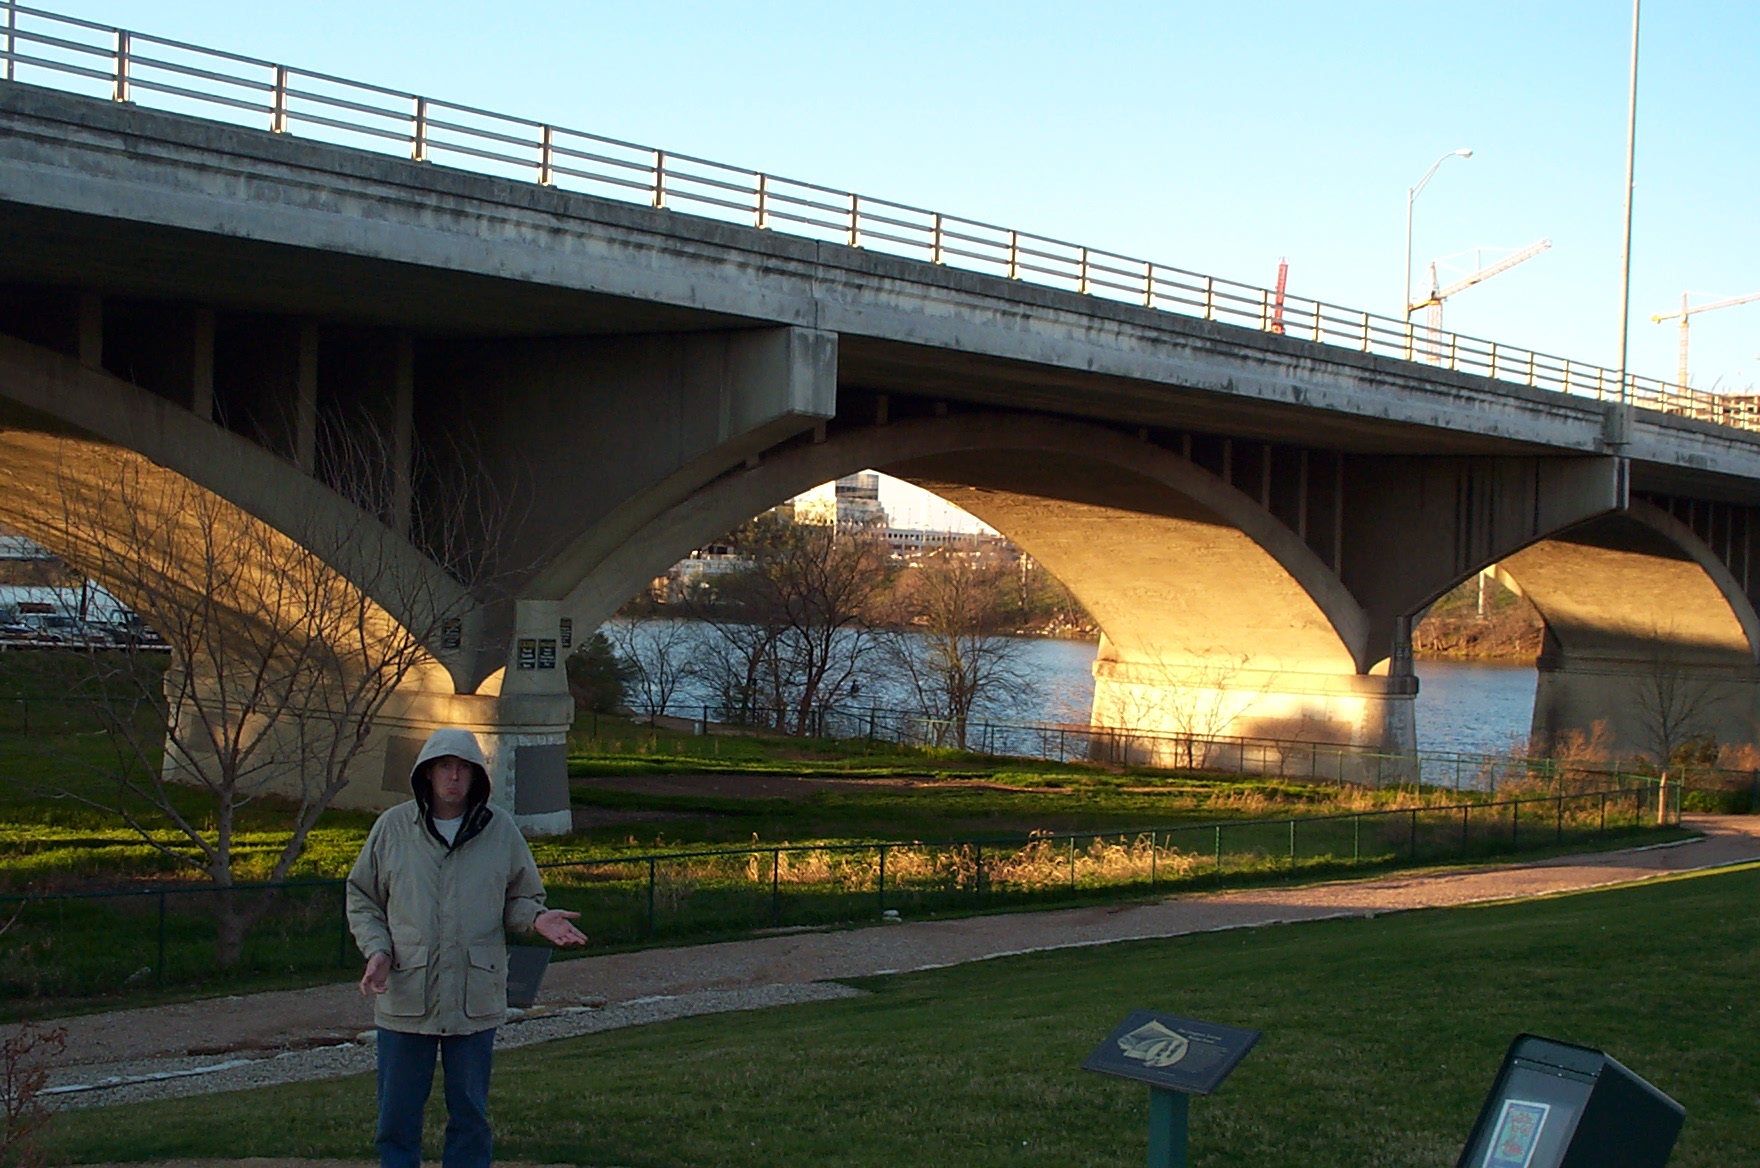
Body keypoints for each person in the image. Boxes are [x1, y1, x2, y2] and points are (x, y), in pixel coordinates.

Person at [347, 727, 587, 1168]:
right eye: (444, 766)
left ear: (477, 775)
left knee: (471, 1117)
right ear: (427, 772)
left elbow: (519, 897)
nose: (453, 777)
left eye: (463, 768)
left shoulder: (501, 830)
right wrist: (377, 949)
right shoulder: (393, 828)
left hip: (474, 999)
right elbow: (362, 896)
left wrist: (536, 918)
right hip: (406, 996)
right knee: (397, 1117)